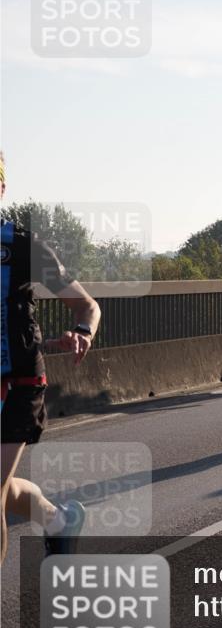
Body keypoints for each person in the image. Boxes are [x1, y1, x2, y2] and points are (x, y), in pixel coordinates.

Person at [1, 151, 101, 561]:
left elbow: (87, 306)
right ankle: (59, 520)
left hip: (17, 384)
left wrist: (81, 332)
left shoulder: (22, 246)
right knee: (4, 490)